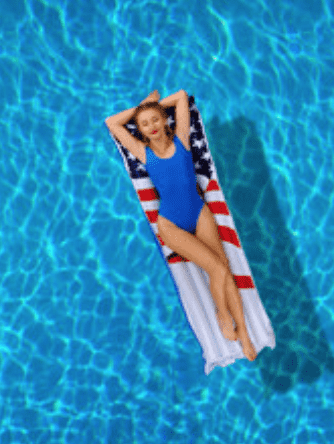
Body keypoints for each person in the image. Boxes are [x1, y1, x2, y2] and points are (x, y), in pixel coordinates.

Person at [105, 89, 257, 362]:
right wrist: (145, 107)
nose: (150, 127)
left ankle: (244, 334)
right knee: (218, 268)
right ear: (139, 131)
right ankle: (222, 315)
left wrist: (152, 106)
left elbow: (181, 96)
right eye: (144, 124)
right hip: (171, 223)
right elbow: (112, 123)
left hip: (198, 212)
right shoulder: (143, 152)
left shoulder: (182, 139)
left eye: (155, 120)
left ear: (165, 121)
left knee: (224, 268)